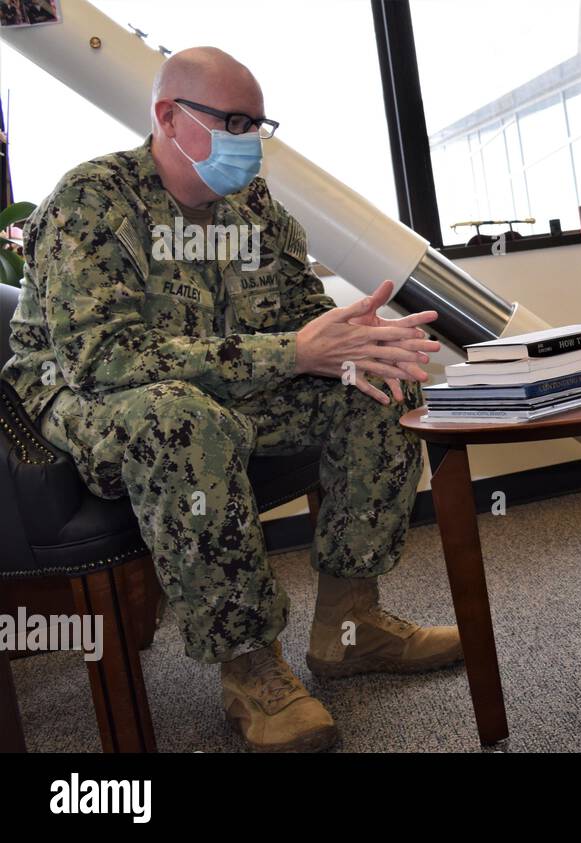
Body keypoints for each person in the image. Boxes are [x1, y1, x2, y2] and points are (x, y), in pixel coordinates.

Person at [1, 47, 464, 752]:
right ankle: (249, 665)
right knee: (185, 422)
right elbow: (104, 360)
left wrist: (358, 340)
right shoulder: (90, 202)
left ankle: (350, 624)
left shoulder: (253, 210)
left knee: (380, 385)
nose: (249, 141)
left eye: (258, 125)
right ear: (168, 117)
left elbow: (307, 321)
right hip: (87, 402)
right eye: (235, 122)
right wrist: (294, 352)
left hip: (225, 389)